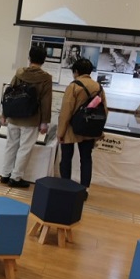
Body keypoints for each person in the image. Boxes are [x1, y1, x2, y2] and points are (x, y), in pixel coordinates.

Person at [0, 46, 53, 188]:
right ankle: (16, 177)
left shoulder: (19, 73)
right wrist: (44, 122)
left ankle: (5, 174)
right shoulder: (46, 78)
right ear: (43, 60)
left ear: (29, 58)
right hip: (31, 119)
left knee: (10, 145)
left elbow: (8, 93)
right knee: (25, 148)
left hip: (14, 117)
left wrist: (4, 114)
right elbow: (45, 101)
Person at [57, 58, 107, 190]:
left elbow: (66, 111)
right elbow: (104, 110)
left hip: (71, 128)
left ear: (76, 71)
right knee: (86, 159)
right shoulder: (98, 87)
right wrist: (99, 130)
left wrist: (60, 132)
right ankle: (83, 190)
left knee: (66, 158)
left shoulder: (73, 86)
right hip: (89, 128)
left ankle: (65, 187)